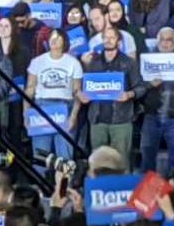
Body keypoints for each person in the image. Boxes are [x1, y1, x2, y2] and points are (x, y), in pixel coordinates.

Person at [78, 26, 144, 167]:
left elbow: (141, 87)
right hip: (97, 119)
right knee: (97, 162)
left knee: (122, 162)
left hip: (121, 120)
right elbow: (84, 88)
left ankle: (123, 189)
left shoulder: (129, 63)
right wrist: (83, 95)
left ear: (119, 41)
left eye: (112, 37)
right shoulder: (93, 63)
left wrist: (129, 94)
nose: (108, 41)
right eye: (105, 38)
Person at [26, 29, 83, 160]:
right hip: (41, 107)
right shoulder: (37, 61)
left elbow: (77, 92)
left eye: (58, 37)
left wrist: (73, 116)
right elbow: (29, 90)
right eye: (51, 37)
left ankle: (63, 181)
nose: (54, 39)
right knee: (40, 155)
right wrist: (26, 114)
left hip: (65, 107)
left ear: (65, 41)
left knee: (65, 157)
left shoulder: (74, 63)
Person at [139, 27, 174, 173]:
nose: (165, 43)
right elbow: (138, 86)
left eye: (169, 40)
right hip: (151, 115)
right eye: (162, 40)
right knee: (147, 160)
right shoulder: (147, 60)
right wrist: (149, 84)